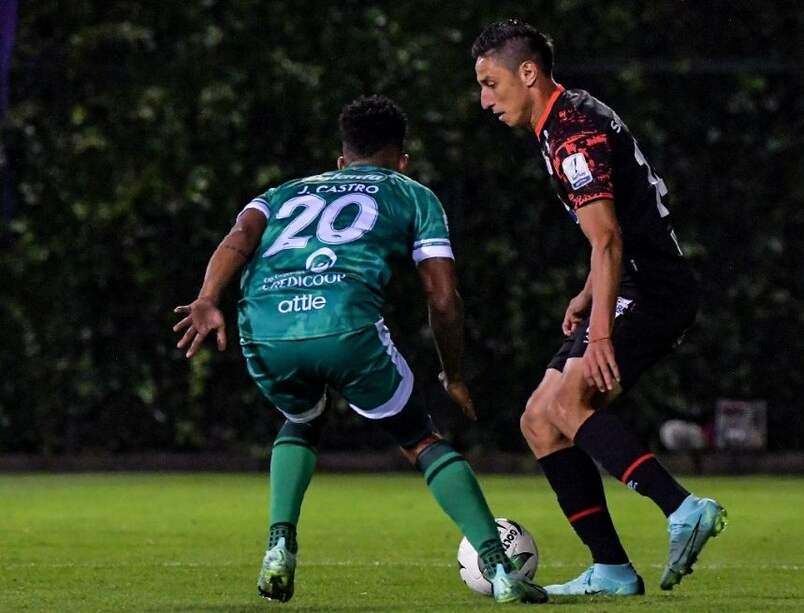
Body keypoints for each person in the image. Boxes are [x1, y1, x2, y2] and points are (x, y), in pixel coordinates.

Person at [172, 95, 547, 605]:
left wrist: (207, 298)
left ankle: (280, 544)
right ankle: (499, 568)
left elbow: (240, 235)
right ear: (402, 160)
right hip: (344, 324)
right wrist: (452, 373)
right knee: (421, 439)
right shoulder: (414, 195)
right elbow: (442, 296)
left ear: (341, 159)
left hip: (264, 327)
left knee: (303, 419)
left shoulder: (282, 192)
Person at [471, 20, 727, 596]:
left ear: (528, 73)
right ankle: (610, 568)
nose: (485, 100)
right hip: (631, 280)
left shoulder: (570, 134)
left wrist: (602, 334)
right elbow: (617, 231)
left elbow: (608, 238)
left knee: (567, 400)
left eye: (491, 84)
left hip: (654, 289)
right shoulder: (570, 115)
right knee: (539, 419)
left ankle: (683, 509)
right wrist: (590, 292)